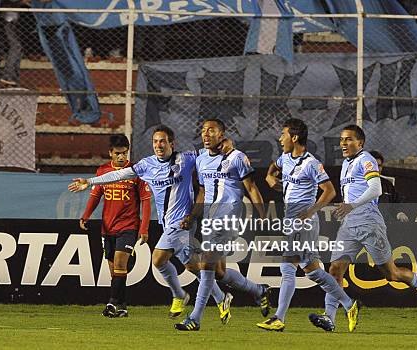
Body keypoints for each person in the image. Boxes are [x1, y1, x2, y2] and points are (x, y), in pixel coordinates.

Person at [69, 125, 233, 323]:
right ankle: (220, 297)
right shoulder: (147, 165)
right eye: (155, 141)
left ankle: (181, 297)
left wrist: (226, 145)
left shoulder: (187, 159)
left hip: (182, 222)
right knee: (191, 267)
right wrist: (91, 181)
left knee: (158, 258)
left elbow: (210, 152)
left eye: (163, 141)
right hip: (167, 224)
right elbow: (118, 174)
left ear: (172, 144)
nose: (158, 145)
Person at [309, 125, 417, 332]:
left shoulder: (366, 159)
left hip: (369, 223)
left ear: (360, 143)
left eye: (349, 139)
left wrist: (351, 205)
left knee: (392, 274)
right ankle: (329, 318)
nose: (343, 143)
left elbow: (376, 189)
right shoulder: (346, 164)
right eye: (342, 139)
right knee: (335, 271)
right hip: (349, 225)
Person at [256, 118, 357, 332]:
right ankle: (349, 304)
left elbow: (329, 191)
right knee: (312, 272)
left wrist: (309, 212)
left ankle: (279, 318)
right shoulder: (285, 158)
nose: (280, 138)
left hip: (304, 223)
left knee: (287, 268)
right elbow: (277, 165)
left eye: (283, 134)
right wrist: (269, 176)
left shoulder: (311, 163)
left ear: (294, 138)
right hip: (292, 221)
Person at [174, 118, 271, 331]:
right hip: (209, 218)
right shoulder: (200, 159)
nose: (206, 134)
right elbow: (201, 191)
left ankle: (195, 318)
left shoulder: (237, 157)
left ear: (222, 135)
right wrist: (191, 216)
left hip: (230, 216)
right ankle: (259, 290)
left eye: (212, 131)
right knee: (219, 272)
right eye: (203, 131)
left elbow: (252, 188)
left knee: (206, 264)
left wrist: (262, 214)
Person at [79, 135, 152, 317]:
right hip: (108, 227)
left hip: (128, 226)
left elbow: (146, 201)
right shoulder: (103, 171)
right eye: (118, 153)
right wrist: (86, 215)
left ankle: (111, 304)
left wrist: (144, 228)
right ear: (110, 153)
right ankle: (123, 306)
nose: (122, 157)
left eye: (125, 153)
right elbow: (95, 196)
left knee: (120, 263)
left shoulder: (136, 172)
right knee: (115, 271)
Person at [0, 0, 29, 87]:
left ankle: (14, 79)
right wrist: (22, 2)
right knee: (16, 47)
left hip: (14, 21)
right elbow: (10, 2)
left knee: (19, 50)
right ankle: (7, 76)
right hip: (8, 20)